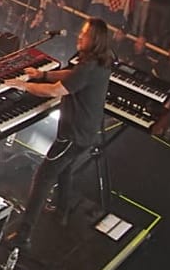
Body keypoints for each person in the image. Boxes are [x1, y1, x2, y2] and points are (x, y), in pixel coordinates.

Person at [6, 18, 112, 237]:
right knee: (65, 171)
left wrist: (25, 85)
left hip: (72, 135)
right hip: (85, 133)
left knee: (43, 178)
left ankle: (23, 236)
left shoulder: (88, 67)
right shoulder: (99, 61)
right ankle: (61, 212)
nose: (79, 36)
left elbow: (55, 91)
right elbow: (72, 76)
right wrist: (43, 75)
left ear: (94, 39)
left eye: (85, 34)